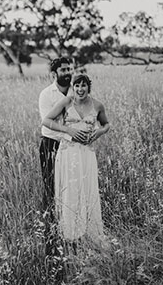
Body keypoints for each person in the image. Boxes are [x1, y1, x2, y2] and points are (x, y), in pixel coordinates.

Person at [42, 74, 110, 246]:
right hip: (68, 152)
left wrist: (100, 132)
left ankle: (89, 233)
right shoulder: (66, 102)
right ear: (73, 87)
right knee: (71, 189)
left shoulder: (97, 105)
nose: (80, 89)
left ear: (89, 87)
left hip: (87, 153)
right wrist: (68, 130)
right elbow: (46, 120)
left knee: (87, 189)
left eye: (83, 85)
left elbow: (106, 124)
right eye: (77, 86)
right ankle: (70, 233)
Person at [38, 58, 90, 251]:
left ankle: (74, 232)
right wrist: (69, 132)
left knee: (74, 188)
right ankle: (52, 235)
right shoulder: (46, 94)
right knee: (52, 189)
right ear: (54, 74)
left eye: (70, 69)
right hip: (51, 145)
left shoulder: (77, 90)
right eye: (63, 70)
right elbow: (47, 123)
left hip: (73, 147)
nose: (68, 72)